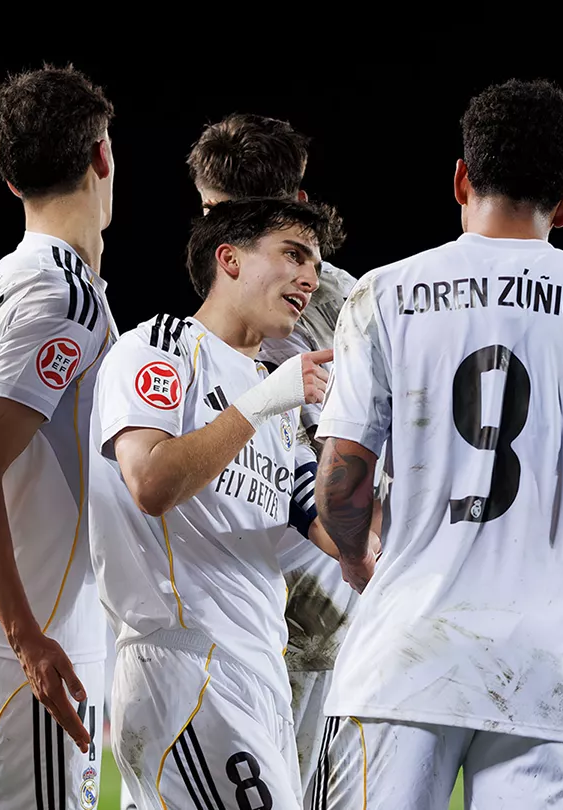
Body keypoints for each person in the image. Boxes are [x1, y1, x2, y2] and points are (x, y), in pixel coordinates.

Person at [311, 78, 563, 809]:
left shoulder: (383, 293)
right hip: (551, 678)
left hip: (404, 661)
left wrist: (355, 554)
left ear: (462, 179)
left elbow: (341, 483)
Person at [91, 197, 344, 810]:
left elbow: (344, 536)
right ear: (228, 259)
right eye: (292, 254)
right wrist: (260, 404)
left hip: (258, 676)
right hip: (187, 670)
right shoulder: (159, 347)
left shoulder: (279, 397)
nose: (310, 277)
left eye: (315, 261)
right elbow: (150, 482)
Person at [186, 112, 380, 810]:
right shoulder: (361, 299)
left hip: (295, 602)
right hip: (334, 599)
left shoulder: (269, 308)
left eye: (214, 215)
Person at [0, 65, 117, 810]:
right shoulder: (61, 300)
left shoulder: (18, 279)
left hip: (23, 633)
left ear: (11, 182)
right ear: (103, 156)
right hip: (37, 643)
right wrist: (26, 635)